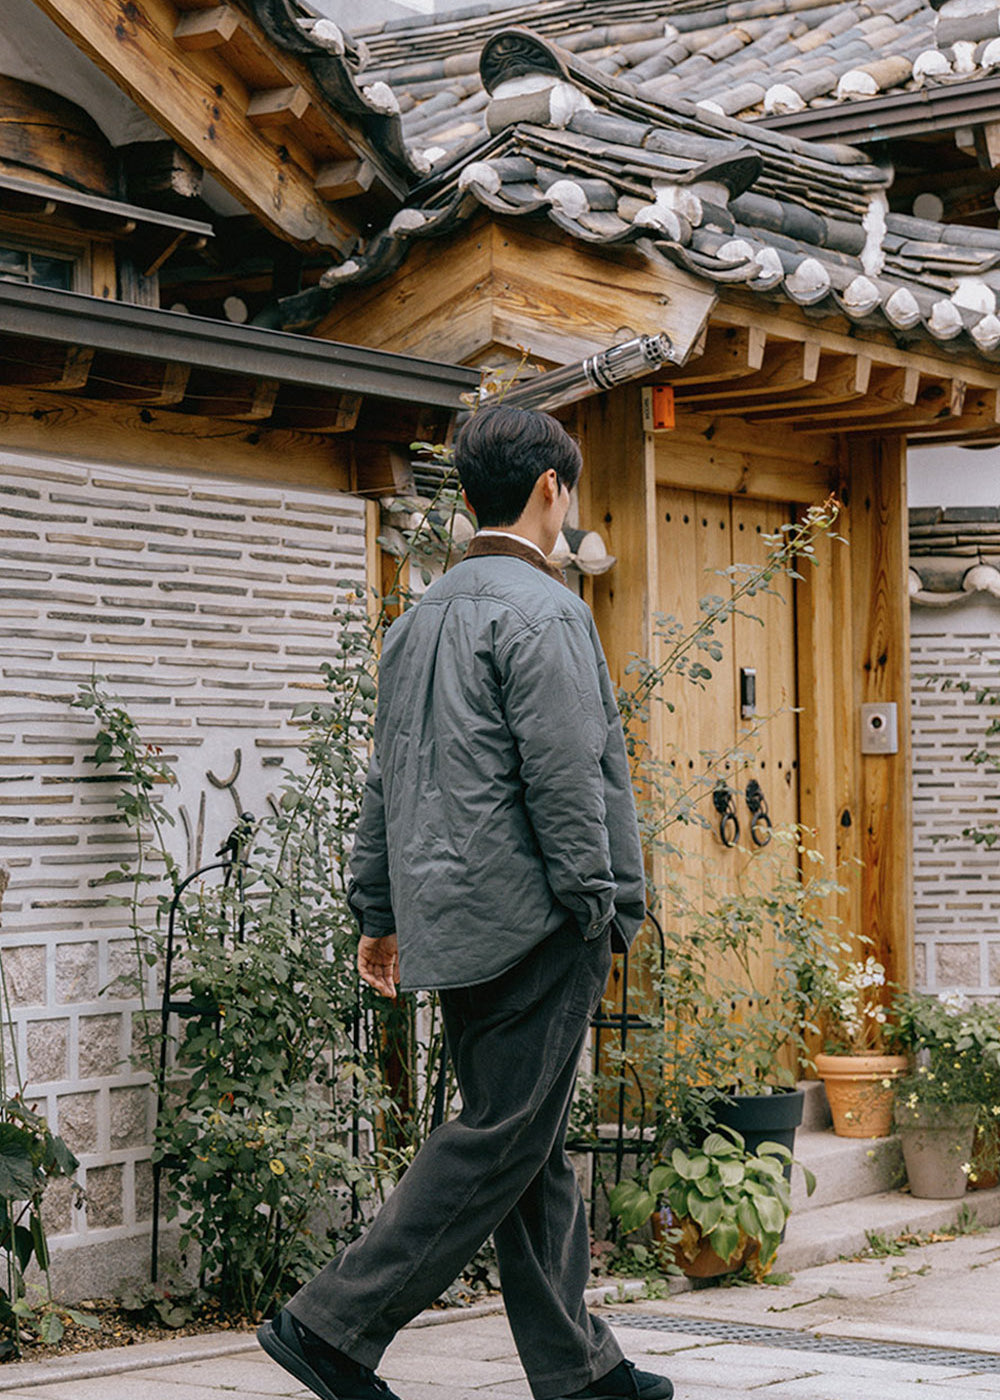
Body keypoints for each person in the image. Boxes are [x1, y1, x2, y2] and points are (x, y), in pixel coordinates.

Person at [258, 404, 672, 1400]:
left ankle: (577, 1367)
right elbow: (570, 777)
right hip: (537, 919)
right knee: (500, 1134)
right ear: (549, 490)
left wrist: (378, 910)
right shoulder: (547, 611)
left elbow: (383, 780)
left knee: (520, 1135)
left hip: (453, 918)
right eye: (568, 489)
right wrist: (599, 904)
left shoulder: (420, 619)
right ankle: (330, 1324)